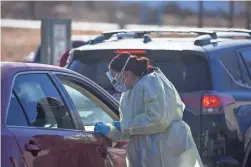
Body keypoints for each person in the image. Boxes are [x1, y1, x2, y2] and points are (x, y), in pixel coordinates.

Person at [94, 53, 203, 167]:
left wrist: (124, 126)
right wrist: (111, 130)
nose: (115, 82)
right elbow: (132, 129)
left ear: (125, 74)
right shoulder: (128, 92)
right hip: (145, 152)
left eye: (115, 76)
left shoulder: (153, 82)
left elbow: (158, 120)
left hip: (165, 149)